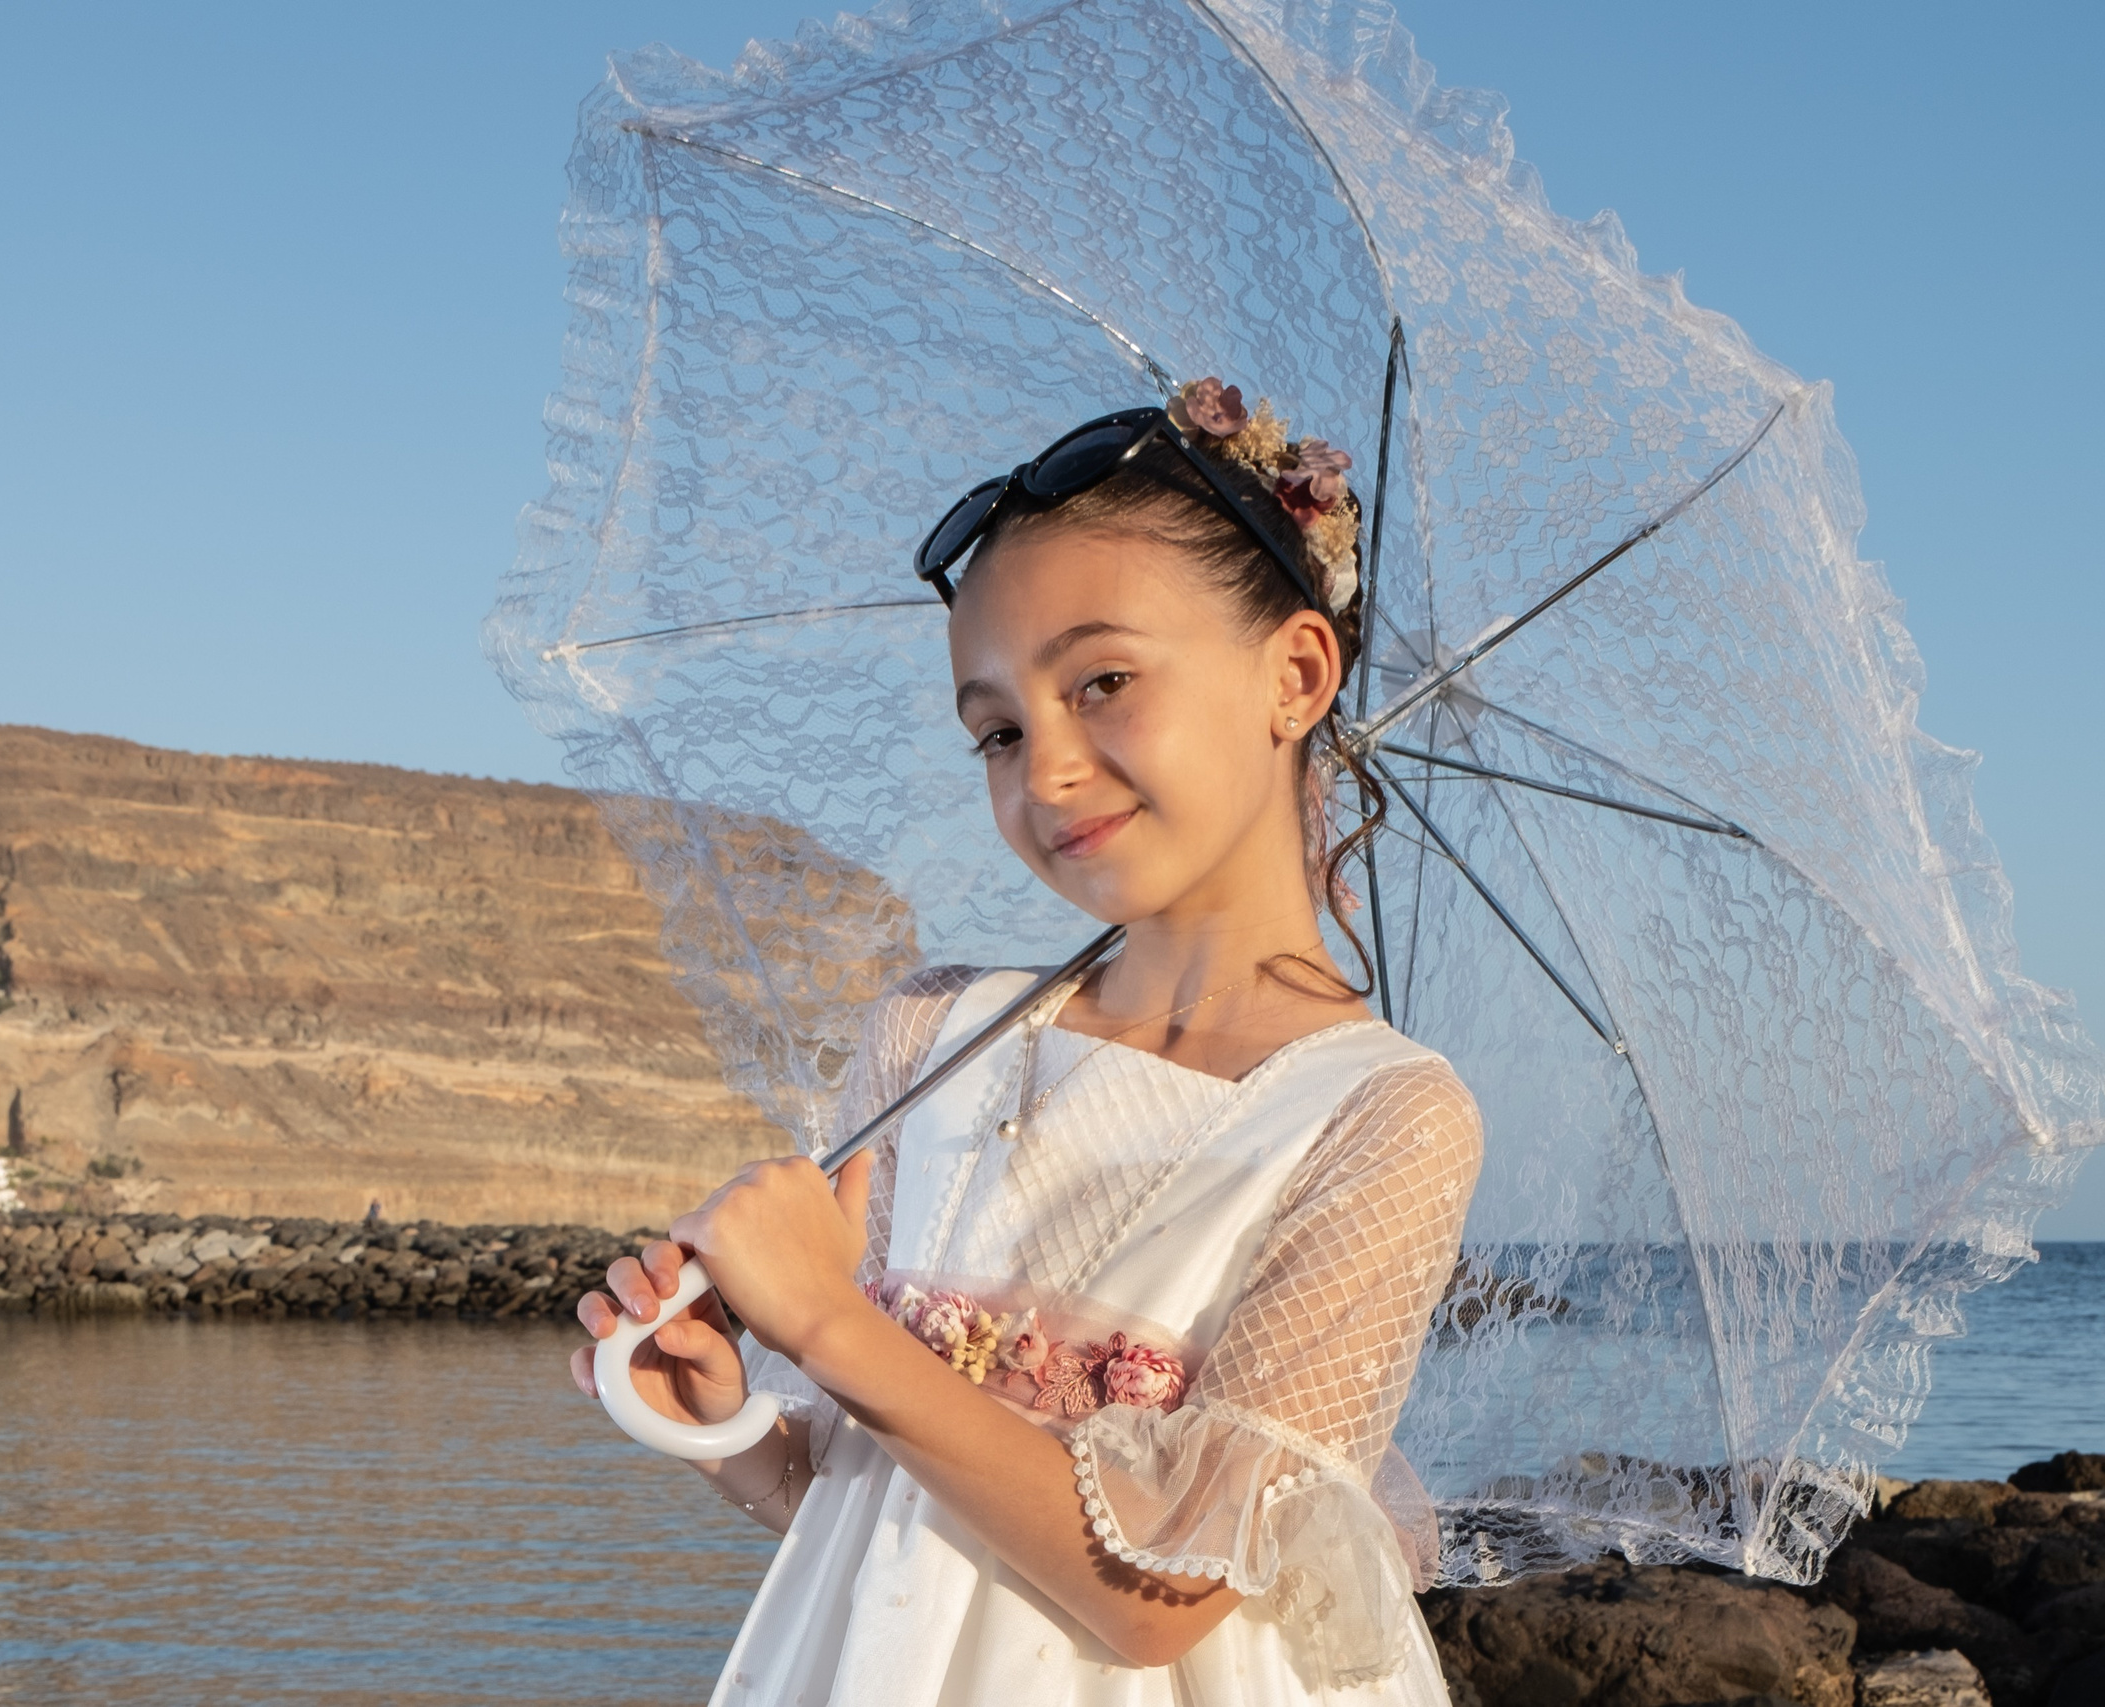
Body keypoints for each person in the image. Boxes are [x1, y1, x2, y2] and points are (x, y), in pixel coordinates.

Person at [573, 378, 1483, 1705]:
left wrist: (826, 1319)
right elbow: (867, 1513)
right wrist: (720, 1414)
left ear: (1294, 674)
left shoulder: (1381, 1116)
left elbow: (1169, 1600)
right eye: (997, 729)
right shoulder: (935, 1036)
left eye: (1102, 683)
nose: (1043, 771)